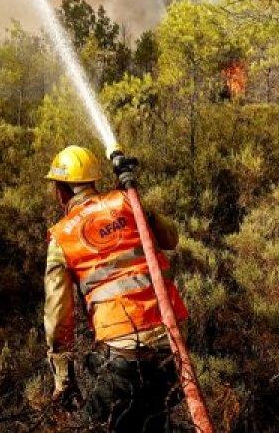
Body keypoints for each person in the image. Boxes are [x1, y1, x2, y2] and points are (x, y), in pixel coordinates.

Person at [44, 145, 187, 432]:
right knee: (153, 422)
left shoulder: (61, 238)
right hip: (171, 349)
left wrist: (63, 377)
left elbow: (58, 315)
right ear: (93, 182)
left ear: (62, 191)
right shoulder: (126, 202)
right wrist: (137, 198)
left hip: (124, 354)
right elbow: (171, 238)